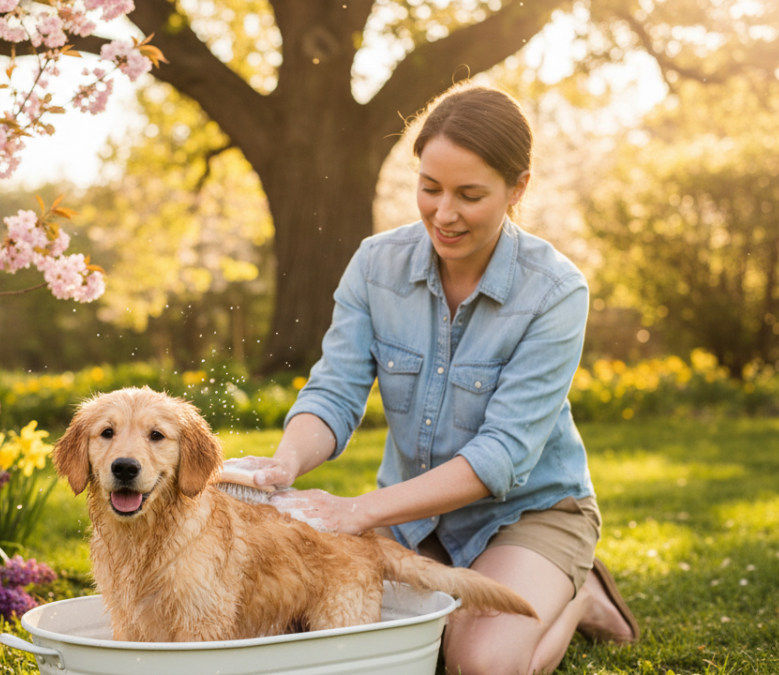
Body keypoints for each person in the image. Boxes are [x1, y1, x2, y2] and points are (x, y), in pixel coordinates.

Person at [246, 84, 639, 675]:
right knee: (327, 628)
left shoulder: (555, 291)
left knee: (479, 663)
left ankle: (578, 592)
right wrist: (285, 463)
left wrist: (359, 511)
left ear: (518, 188)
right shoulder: (376, 266)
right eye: (430, 188)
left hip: (528, 513)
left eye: (470, 195)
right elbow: (334, 392)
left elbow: (502, 454)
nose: (444, 213)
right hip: (414, 519)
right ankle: (502, 595)